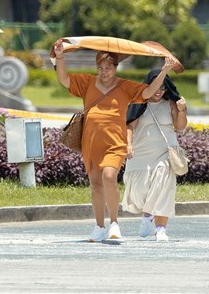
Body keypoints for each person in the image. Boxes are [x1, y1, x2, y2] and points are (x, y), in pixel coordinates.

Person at [53, 39, 176, 242]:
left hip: (115, 143)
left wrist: (164, 71)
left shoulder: (124, 86)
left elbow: (146, 93)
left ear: (115, 68)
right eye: (100, 68)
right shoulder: (87, 82)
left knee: (109, 177)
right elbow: (65, 79)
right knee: (95, 184)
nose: (104, 72)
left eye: (108, 68)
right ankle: (99, 226)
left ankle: (114, 223)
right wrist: (60, 57)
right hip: (91, 142)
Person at [122, 69, 187, 242]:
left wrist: (181, 110)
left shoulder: (170, 104)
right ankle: (147, 215)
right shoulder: (138, 102)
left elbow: (179, 127)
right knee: (140, 191)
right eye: (156, 86)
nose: (159, 91)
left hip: (165, 152)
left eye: (163, 88)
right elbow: (129, 126)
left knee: (163, 186)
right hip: (141, 153)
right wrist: (128, 144)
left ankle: (160, 229)